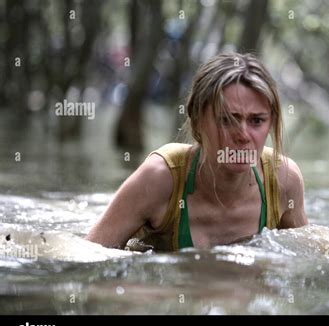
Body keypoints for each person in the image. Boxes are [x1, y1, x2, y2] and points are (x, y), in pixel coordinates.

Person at [86, 52, 308, 251]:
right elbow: (87, 255)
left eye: (257, 121)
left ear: (270, 124)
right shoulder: (160, 177)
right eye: (227, 120)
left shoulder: (283, 180)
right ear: (197, 120)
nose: (243, 135)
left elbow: (308, 256)